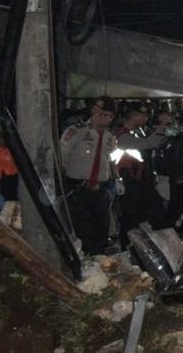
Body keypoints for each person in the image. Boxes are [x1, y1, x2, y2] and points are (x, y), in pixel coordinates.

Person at [59, 96, 118, 255]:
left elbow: (111, 161)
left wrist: (116, 179)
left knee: (101, 231)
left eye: (109, 116)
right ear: (93, 111)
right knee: (82, 231)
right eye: (100, 112)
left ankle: (97, 262)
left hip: (101, 190)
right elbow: (62, 158)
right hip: (78, 188)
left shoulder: (110, 138)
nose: (104, 118)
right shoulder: (75, 131)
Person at [112, 102, 166, 248]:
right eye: (143, 116)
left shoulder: (137, 133)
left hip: (140, 182)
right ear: (134, 116)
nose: (146, 119)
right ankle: (126, 246)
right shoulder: (121, 136)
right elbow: (147, 144)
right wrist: (162, 127)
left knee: (145, 215)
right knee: (131, 217)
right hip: (129, 183)